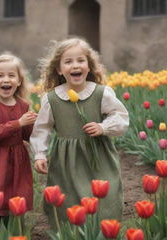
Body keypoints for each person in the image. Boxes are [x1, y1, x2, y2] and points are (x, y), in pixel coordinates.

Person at [30, 37, 129, 226]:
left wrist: (103, 127)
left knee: (104, 196)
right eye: (68, 62)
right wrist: (40, 154)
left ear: (89, 66)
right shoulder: (52, 99)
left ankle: (104, 231)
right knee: (68, 197)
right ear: (59, 69)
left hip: (98, 155)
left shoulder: (101, 93)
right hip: (67, 159)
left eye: (80, 60)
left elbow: (121, 117)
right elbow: (42, 128)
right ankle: (70, 235)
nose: (75, 65)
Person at [0, 53, 37, 232]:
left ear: (19, 81)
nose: (6, 79)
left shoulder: (22, 105)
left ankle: (15, 236)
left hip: (18, 158)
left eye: (11, 75)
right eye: (0, 75)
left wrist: (36, 124)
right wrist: (18, 123)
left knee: (17, 195)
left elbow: (27, 134)